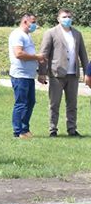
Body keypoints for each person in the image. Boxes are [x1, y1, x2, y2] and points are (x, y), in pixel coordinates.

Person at [38, 9, 88, 137]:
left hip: (73, 74)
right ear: (58, 19)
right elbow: (44, 54)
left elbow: (83, 54)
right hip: (56, 74)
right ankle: (53, 129)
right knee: (54, 103)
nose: (67, 19)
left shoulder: (77, 33)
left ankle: (72, 129)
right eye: (64, 17)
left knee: (72, 104)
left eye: (69, 16)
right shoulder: (51, 33)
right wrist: (42, 72)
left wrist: (88, 72)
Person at [8, 13, 44, 139]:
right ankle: (18, 131)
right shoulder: (17, 34)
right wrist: (37, 57)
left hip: (29, 75)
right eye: (33, 22)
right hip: (20, 75)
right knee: (21, 103)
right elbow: (19, 54)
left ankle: (25, 129)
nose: (35, 25)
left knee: (30, 102)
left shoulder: (27, 36)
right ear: (25, 21)